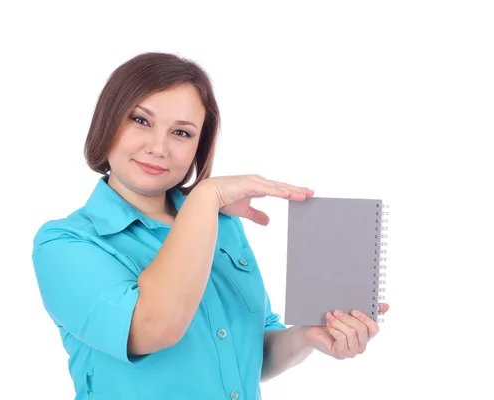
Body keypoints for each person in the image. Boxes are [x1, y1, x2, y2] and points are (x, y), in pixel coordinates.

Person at [32, 52, 390, 400]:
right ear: (107, 122)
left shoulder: (223, 224)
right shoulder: (64, 244)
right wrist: (206, 195)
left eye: (182, 133)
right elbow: (154, 328)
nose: (159, 147)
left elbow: (249, 354)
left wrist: (308, 336)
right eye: (141, 120)